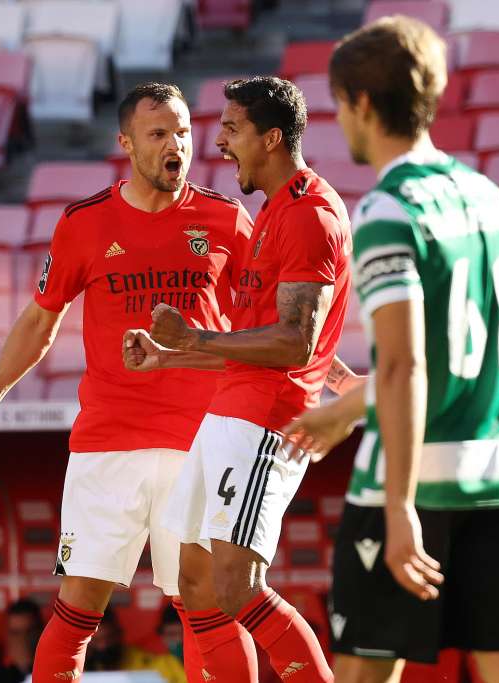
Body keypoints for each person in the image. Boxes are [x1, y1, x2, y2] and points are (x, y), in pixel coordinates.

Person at [282, 16, 499, 683]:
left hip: (405, 483)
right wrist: (346, 410)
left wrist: (399, 503)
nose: (338, 120)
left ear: (364, 105)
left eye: (340, 104)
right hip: (496, 474)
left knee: (361, 671)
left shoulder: (387, 209)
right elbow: (447, 352)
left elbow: (407, 364)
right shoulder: (486, 196)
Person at [0, 81, 254, 682]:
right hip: (106, 444)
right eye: (158, 133)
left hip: (200, 442)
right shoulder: (84, 223)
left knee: (209, 607)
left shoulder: (226, 220)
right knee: (77, 608)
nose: (177, 145)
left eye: (184, 132)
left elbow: (262, 326)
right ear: (126, 143)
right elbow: (41, 319)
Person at [123, 76, 351, 683]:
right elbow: (253, 344)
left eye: (231, 130)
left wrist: (194, 338)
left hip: (265, 422)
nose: (218, 143)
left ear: (271, 138)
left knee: (237, 584)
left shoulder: (310, 215)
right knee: (194, 579)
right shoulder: (276, 211)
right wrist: (168, 357)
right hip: (230, 412)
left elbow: (293, 342)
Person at [85, 608, 185, 683]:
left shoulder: (163, 664)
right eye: (97, 640)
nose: (103, 646)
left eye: (109, 638)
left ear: (120, 633)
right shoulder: (80, 669)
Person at [0, 599, 44, 683]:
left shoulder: (60, 673)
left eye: (29, 632)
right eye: (16, 633)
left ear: (42, 632)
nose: (22, 640)